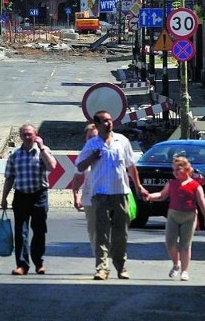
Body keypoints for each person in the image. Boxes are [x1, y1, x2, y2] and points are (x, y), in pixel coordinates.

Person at [76, 110, 149, 280]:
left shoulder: (122, 141)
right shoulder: (92, 144)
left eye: (110, 120)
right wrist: (92, 158)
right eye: (104, 121)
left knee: (120, 233)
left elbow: (131, 166)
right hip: (100, 193)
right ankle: (102, 268)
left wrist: (138, 187)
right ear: (98, 124)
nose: (109, 123)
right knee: (101, 232)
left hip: (120, 192)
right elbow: (80, 167)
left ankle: (121, 266)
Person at [1, 123, 57, 276]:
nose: (27, 137)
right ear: (20, 136)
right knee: (21, 233)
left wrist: (42, 147)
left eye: (29, 134)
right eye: (24, 134)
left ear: (35, 134)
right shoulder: (15, 155)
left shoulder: (42, 151)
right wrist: (4, 197)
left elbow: (52, 167)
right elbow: (9, 178)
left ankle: (39, 263)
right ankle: (22, 265)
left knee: (39, 231)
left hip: (39, 195)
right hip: (21, 196)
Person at [145, 156, 205, 281]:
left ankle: (185, 271)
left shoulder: (195, 185)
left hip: (189, 217)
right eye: (174, 170)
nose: (175, 172)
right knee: (170, 243)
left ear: (187, 170)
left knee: (185, 245)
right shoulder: (171, 184)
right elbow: (161, 195)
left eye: (178, 169)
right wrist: (150, 196)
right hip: (173, 215)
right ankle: (176, 264)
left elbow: (202, 202)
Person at [71, 123, 98, 254]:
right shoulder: (84, 154)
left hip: (108, 196)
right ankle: (99, 256)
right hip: (89, 198)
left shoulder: (107, 150)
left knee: (107, 228)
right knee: (93, 229)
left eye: (94, 137)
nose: (92, 140)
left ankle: (105, 254)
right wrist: (76, 197)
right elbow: (76, 178)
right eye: (89, 138)